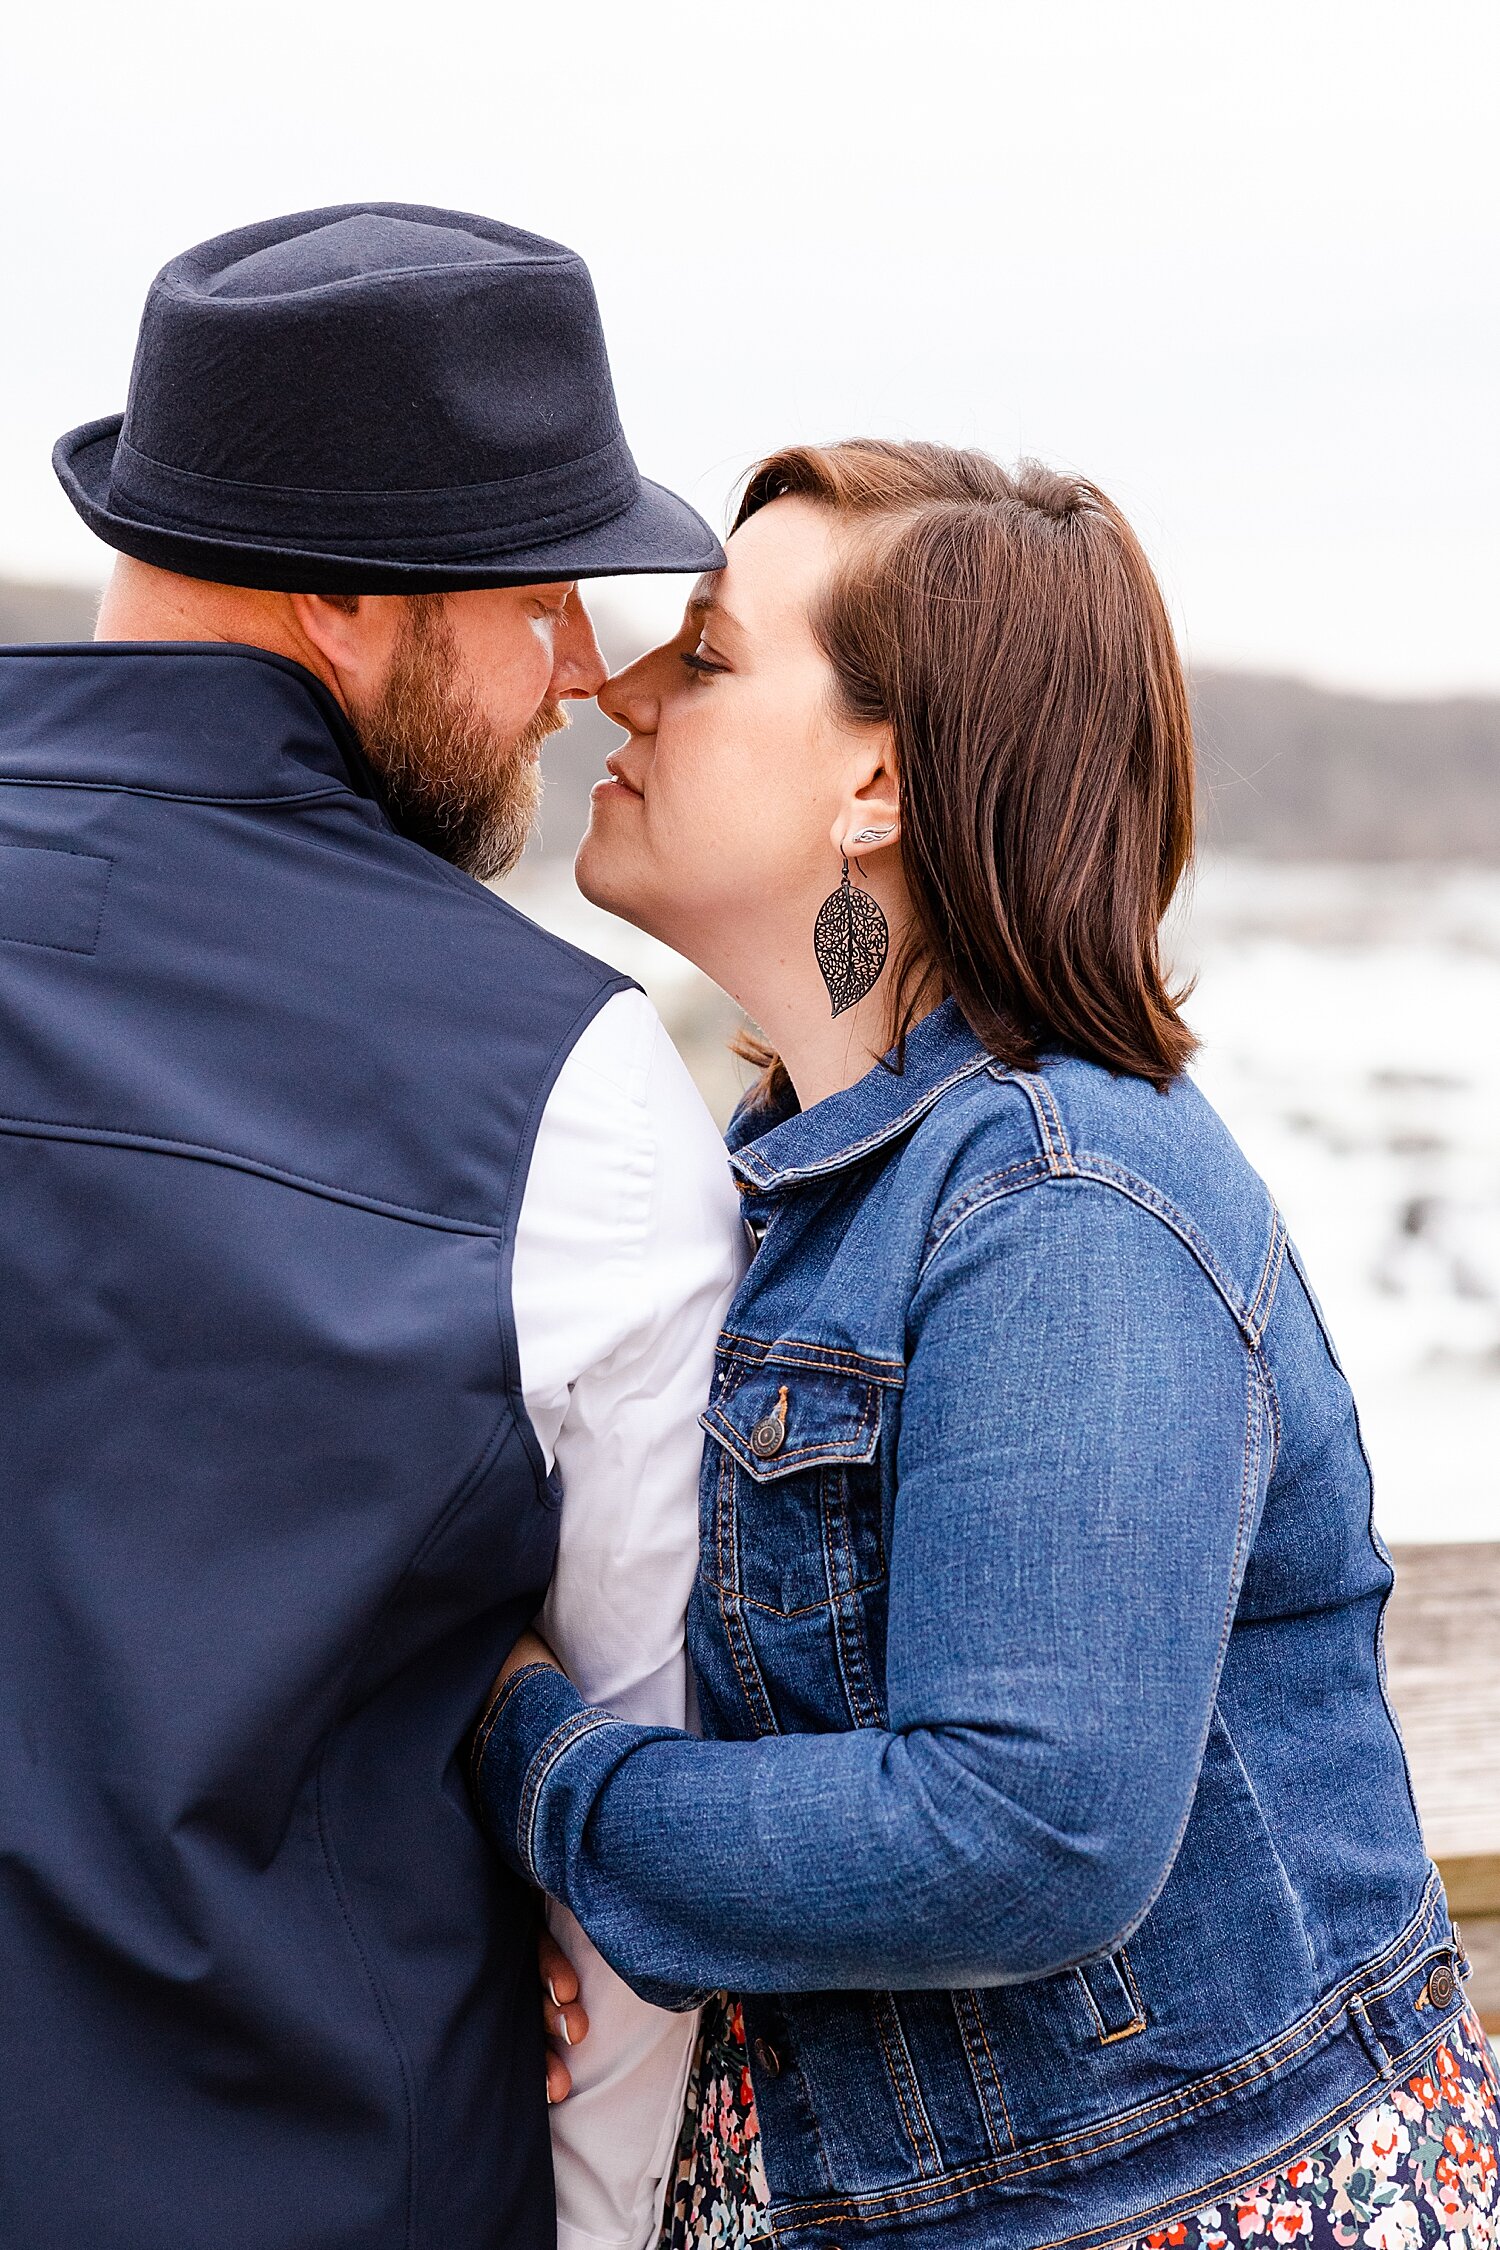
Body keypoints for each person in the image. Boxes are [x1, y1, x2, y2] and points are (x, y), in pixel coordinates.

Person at [473, 441, 1496, 2250]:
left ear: (874, 778)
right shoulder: (802, 1192)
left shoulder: (1064, 1200)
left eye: (705, 658)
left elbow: (1027, 1831)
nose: (618, 687)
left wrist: (542, 1775)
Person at [0, 204, 745, 2250]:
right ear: (347, 598)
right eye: (534, 605)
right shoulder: (569, 1095)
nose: (575, 679)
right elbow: (639, 1861)